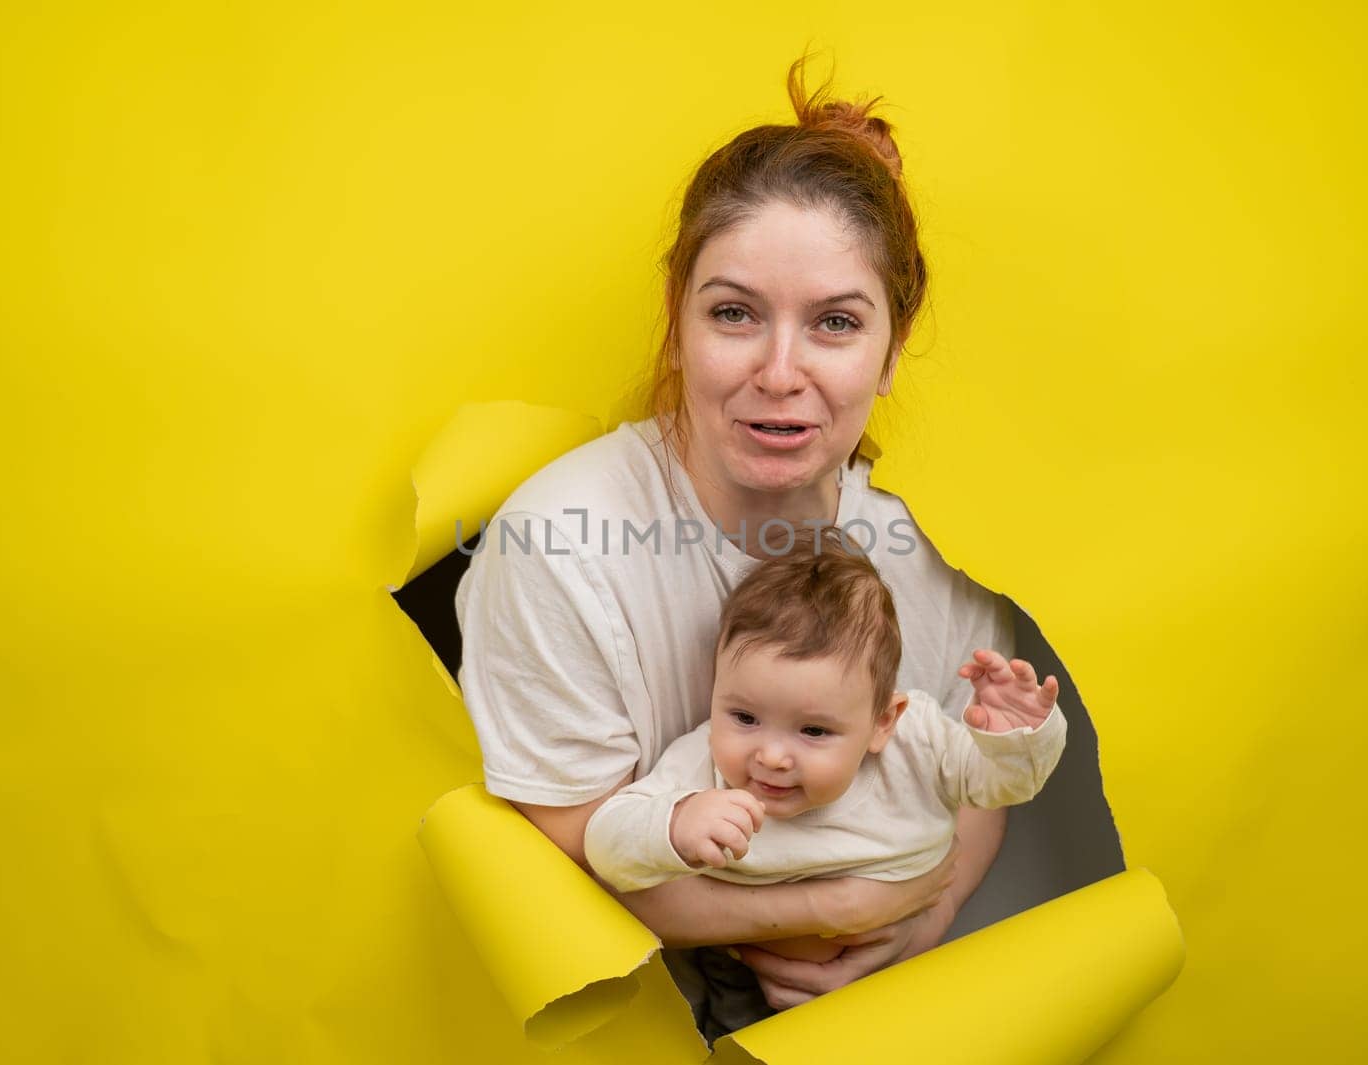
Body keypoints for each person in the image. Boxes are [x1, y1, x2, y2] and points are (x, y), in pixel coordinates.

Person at [455, 55, 1025, 1025]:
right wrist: (852, 902)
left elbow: (983, 769)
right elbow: (566, 859)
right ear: (676, 322)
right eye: (733, 314)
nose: (779, 372)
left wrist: (926, 919)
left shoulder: (933, 549)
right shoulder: (554, 548)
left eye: (835, 324)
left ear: (890, 352)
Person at [582, 529, 1066, 1040]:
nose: (770, 755)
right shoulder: (703, 767)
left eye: (813, 731)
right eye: (744, 717)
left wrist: (1016, 737)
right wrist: (674, 824)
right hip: (752, 981)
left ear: (884, 721)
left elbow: (999, 786)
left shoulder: (918, 742)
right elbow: (604, 846)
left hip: (902, 965)